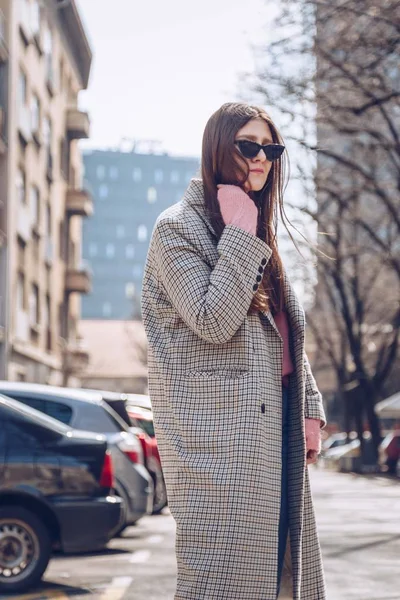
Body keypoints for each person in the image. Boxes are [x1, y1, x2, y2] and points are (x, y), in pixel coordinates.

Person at [141, 102, 327, 600]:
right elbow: (213, 321)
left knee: (280, 577)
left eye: (272, 147)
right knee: (222, 580)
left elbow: (282, 331)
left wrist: (309, 407)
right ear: (219, 148)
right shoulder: (177, 229)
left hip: (274, 430)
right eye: (250, 146)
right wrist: (242, 227)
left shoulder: (252, 230)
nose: (263, 157)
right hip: (219, 445)